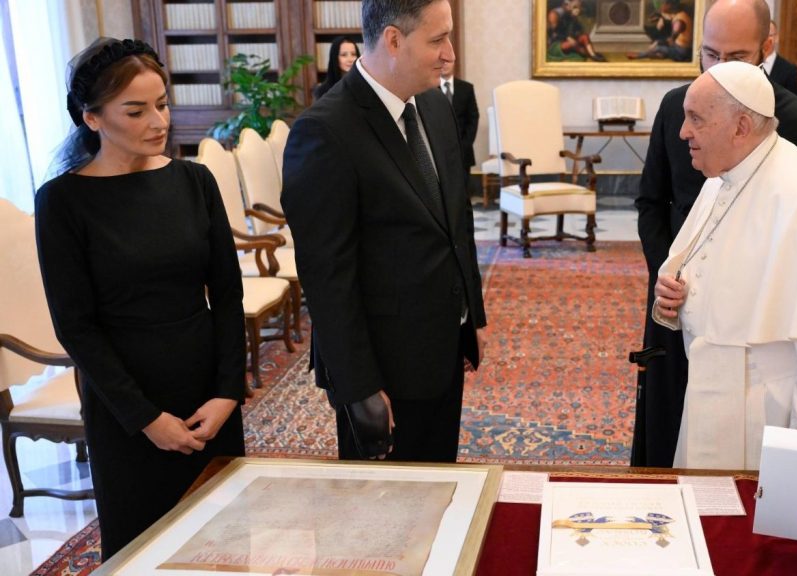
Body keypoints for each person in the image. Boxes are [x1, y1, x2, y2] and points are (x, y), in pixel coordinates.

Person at [35, 38, 246, 559]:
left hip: (206, 393)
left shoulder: (194, 180)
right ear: (92, 118)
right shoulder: (63, 201)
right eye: (136, 110)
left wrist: (227, 393)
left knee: (226, 542)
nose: (159, 121)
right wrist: (146, 419)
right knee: (144, 550)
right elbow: (76, 325)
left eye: (162, 103)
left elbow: (226, 289)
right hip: (126, 407)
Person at [653, 61, 797, 469]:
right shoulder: (721, 179)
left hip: (770, 416)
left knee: (762, 527)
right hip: (716, 394)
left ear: (741, 127)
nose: (682, 132)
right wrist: (673, 296)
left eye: (695, 119)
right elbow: (705, 270)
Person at [281, 0, 486, 463]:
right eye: (437, 40)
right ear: (393, 40)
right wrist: (359, 387)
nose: (450, 54)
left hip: (443, 348)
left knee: (439, 487)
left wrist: (471, 314)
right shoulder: (324, 132)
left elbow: (457, 218)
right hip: (381, 369)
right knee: (383, 517)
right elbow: (327, 278)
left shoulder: (433, 104)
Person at [633, 0, 797, 468]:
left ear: (767, 46)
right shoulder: (676, 106)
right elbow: (650, 203)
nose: (718, 71)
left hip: (747, 321)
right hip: (671, 296)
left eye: (735, 58)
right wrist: (668, 270)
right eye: (709, 55)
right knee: (665, 421)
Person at [440, 59, 479, 176]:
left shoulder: (467, 88)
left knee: (463, 191)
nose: (445, 64)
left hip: (463, 150)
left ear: (454, 64)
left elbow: (473, 118)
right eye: (442, 62)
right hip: (439, 151)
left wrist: (465, 144)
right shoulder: (429, 89)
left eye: (448, 62)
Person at [764, 19, 797, 95]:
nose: (765, 39)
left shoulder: (789, 70)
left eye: (769, 35)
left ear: (776, 38)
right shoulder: (749, 65)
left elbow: (792, 102)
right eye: (762, 35)